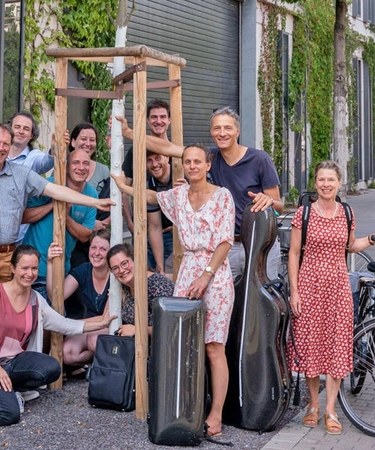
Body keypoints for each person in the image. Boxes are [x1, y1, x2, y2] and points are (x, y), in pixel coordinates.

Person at [0, 122, 113, 351]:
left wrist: (94, 202)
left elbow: (55, 190)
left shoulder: (21, 174)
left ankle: (4, 367)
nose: (0, 148)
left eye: (5, 144)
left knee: (9, 317)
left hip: (10, 256)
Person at [113, 144, 235, 436]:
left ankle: (216, 414)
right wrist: (122, 186)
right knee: (184, 344)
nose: (192, 166)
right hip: (187, 271)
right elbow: (152, 196)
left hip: (214, 274)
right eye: (187, 162)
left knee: (213, 346)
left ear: (208, 165)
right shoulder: (178, 195)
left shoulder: (222, 197)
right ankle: (185, 407)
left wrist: (205, 277)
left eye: (197, 161)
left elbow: (225, 241)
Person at [0, 245, 115, 426]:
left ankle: (11, 391)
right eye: (24, 268)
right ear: (13, 268)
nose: (30, 273)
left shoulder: (35, 300)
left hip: (13, 364)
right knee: (8, 415)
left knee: (51, 368)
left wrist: (101, 323)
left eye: (34, 268)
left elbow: (63, 324)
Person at [117, 106, 283, 280]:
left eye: (228, 128)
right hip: (227, 246)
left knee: (264, 299)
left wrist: (269, 201)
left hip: (260, 244)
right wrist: (129, 133)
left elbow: (279, 207)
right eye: (217, 128)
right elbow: (167, 148)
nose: (222, 133)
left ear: (237, 131)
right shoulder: (208, 157)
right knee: (229, 300)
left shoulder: (259, 160)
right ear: (211, 132)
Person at [287, 161, 375, 435]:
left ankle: (331, 409)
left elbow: (351, 245)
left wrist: (372, 238)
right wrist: (294, 291)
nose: (326, 184)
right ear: (316, 183)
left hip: (339, 289)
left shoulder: (346, 212)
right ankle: (312, 405)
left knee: (336, 346)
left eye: (331, 180)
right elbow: (294, 253)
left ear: (338, 183)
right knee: (310, 344)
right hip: (309, 285)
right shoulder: (304, 212)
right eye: (321, 179)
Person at [21, 149, 98, 300]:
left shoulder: (91, 194)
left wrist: (66, 216)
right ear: (67, 166)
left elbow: (85, 235)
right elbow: (23, 216)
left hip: (60, 269)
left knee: (55, 317)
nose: (81, 167)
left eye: (86, 163)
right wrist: (53, 205)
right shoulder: (48, 185)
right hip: (31, 266)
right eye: (76, 163)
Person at [46, 229, 111, 369]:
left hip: (112, 327)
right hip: (90, 327)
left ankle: (106, 367)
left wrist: (67, 325)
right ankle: (92, 363)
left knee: (95, 342)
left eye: (103, 249)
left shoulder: (115, 274)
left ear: (111, 253)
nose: (97, 253)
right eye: (93, 247)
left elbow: (107, 319)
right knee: (67, 353)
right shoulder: (84, 270)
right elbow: (56, 296)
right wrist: (50, 263)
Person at [121, 99, 172, 235]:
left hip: (170, 233)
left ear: (169, 120)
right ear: (147, 121)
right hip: (142, 230)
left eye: (163, 117)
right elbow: (125, 191)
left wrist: (178, 227)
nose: (158, 121)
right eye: (154, 117)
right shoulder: (136, 150)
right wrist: (130, 224)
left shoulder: (176, 152)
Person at [7, 111, 55, 243]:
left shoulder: (33, 157)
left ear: (32, 135)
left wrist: (54, 149)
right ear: (9, 129)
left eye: (26, 129)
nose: (21, 131)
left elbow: (46, 162)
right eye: (17, 127)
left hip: (20, 235)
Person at [106, 243, 174, 337]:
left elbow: (171, 328)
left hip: (160, 348)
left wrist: (137, 330)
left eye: (124, 263)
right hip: (132, 347)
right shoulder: (124, 287)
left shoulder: (157, 285)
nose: (121, 270)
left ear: (135, 260)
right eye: (115, 268)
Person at [69, 123, 111, 268]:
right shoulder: (62, 170)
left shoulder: (104, 171)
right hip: (70, 236)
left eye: (92, 140)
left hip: (95, 238)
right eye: (84, 139)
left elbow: (114, 202)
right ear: (73, 142)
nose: (88, 143)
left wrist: (104, 223)